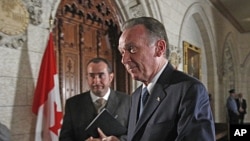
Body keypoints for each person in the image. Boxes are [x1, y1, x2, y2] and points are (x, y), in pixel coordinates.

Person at [116, 17, 215, 141]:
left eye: (132, 49)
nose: (124, 60)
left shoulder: (189, 90)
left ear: (159, 48)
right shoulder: (136, 96)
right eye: (122, 52)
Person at [59, 57, 130, 141]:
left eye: (101, 75)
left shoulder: (128, 101)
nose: (96, 81)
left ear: (111, 77)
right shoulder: (73, 104)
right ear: (87, 77)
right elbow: (64, 138)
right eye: (92, 76)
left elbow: (136, 134)